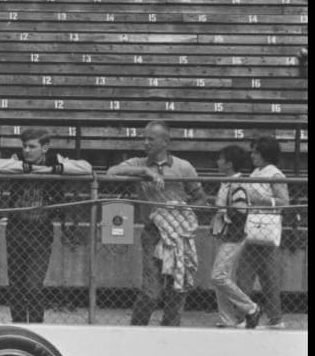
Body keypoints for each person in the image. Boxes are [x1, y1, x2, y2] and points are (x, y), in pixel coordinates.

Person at [107, 121, 207, 326]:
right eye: (144, 138)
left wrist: (182, 214)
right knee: (151, 291)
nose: (146, 142)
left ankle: (170, 331)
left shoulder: (183, 167)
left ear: (165, 142)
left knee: (177, 289)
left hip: (179, 235)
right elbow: (112, 171)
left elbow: (200, 199)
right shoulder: (138, 163)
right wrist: (146, 172)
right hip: (152, 233)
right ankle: (137, 329)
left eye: (150, 139)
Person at [0, 129, 92, 324]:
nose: (27, 150)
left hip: (41, 229)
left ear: (45, 148)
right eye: (24, 146)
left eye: (32, 146)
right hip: (16, 227)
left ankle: (37, 324)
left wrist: (52, 170)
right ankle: (19, 324)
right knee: (16, 285)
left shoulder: (55, 159)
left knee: (33, 285)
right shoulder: (18, 159)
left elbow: (86, 167)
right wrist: (29, 168)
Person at [236, 135, 290, 329]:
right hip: (252, 227)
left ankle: (275, 319)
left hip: (266, 228)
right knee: (244, 275)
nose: (252, 155)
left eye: (256, 152)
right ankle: (245, 317)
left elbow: (284, 202)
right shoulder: (256, 172)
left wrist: (260, 200)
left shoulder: (275, 174)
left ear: (266, 153)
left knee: (269, 278)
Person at [209, 144, 260, 328]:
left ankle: (251, 308)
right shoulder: (227, 182)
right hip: (225, 235)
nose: (218, 162)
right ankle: (228, 320)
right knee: (223, 278)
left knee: (218, 277)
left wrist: (224, 214)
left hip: (233, 236)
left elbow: (241, 211)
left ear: (229, 163)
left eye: (221, 159)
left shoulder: (237, 184)